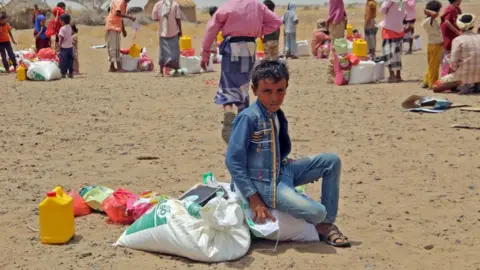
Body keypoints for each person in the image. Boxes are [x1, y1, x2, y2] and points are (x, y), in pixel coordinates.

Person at [226, 60, 351, 248]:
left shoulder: (275, 113)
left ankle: (326, 225)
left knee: (331, 161)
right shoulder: (248, 117)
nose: (274, 98)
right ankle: (322, 221)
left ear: (286, 87)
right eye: (267, 91)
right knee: (317, 213)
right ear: (254, 90)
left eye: (280, 90)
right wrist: (254, 198)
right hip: (267, 184)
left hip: (282, 170)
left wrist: (280, 159)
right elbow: (233, 160)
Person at [200, 0, 282, 143]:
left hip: (232, 47)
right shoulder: (258, 6)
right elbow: (277, 21)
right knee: (244, 85)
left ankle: (228, 115)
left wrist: (206, 52)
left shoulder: (228, 6)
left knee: (228, 84)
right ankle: (242, 122)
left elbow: (211, 29)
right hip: (249, 47)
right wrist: (259, 31)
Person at [434, 14, 480, 94]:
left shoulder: (458, 40)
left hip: (463, 75)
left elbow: (453, 64)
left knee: (435, 86)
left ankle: (462, 84)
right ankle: (474, 84)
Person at [152, 0, 182, 76]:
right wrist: (180, 31)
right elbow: (178, 18)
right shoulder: (175, 5)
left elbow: (154, 18)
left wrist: (163, 18)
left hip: (163, 32)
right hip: (174, 31)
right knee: (175, 52)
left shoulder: (158, 5)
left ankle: (161, 72)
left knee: (163, 52)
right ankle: (175, 71)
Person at [105, 0, 135, 72]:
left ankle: (112, 66)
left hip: (116, 27)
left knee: (115, 46)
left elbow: (120, 17)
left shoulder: (122, 3)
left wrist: (123, 29)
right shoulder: (120, 2)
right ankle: (119, 66)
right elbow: (117, 13)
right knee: (114, 47)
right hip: (113, 26)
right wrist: (130, 17)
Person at [380, 0, 405, 83]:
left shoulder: (389, 1)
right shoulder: (403, 1)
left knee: (388, 54)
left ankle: (392, 75)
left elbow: (382, 10)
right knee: (397, 54)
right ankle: (398, 75)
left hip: (389, 30)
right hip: (399, 29)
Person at [421, 0, 443, 89]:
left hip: (432, 44)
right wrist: (427, 11)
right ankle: (432, 83)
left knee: (431, 64)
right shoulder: (428, 20)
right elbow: (435, 14)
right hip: (435, 45)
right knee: (434, 65)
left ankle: (426, 81)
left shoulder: (428, 20)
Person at [326, 0, 347, 84]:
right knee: (337, 48)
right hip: (336, 21)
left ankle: (338, 72)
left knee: (340, 48)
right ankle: (331, 73)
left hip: (336, 21)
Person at [58, 14, 74, 78]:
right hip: (70, 47)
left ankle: (63, 73)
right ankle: (70, 73)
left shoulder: (62, 28)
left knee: (63, 61)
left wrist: (59, 44)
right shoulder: (69, 27)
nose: (60, 22)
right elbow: (72, 33)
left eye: (60, 21)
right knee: (70, 61)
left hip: (64, 47)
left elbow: (61, 37)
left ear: (63, 21)